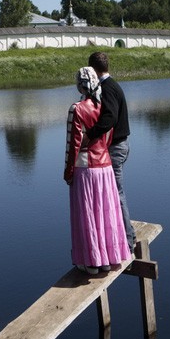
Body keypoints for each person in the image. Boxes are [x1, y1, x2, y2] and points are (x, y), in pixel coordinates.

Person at [64, 66, 131, 274]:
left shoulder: (77, 109)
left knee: (87, 215)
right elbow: (108, 137)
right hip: (105, 166)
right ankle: (108, 258)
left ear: (80, 85)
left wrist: (68, 173)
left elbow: (73, 145)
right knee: (105, 213)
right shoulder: (103, 107)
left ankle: (90, 262)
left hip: (85, 168)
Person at [83, 51, 136, 253]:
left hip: (116, 148)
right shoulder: (112, 85)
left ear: (93, 70)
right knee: (115, 191)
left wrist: (90, 135)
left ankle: (128, 240)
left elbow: (110, 118)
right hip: (120, 145)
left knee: (116, 192)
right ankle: (124, 235)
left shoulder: (107, 88)